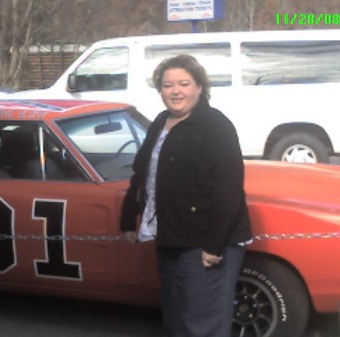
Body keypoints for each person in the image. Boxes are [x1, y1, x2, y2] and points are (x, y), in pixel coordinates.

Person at [121, 54, 252, 337]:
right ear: (160, 90)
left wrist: (214, 246)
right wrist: (128, 215)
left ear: (200, 88)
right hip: (170, 237)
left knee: (203, 324)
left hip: (205, 243)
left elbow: (228, 189)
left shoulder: (216, 126)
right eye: (168, 85)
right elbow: (142, 171)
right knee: (177, 319)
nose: (176, 91)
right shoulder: (160, 122)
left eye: (184, 83)